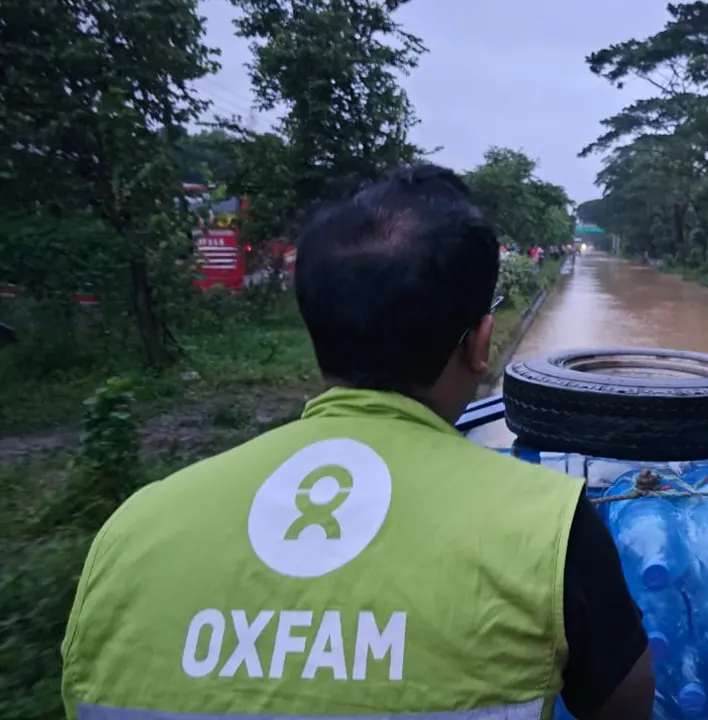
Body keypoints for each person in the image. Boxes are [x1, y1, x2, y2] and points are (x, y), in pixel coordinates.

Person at [60, 163, 655, 720]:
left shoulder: (131, 530)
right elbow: (625, 707)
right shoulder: (549, 526)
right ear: (479, 345)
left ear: (318, 327)